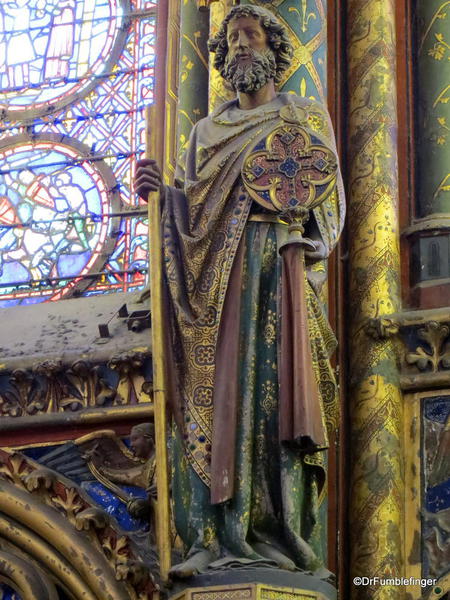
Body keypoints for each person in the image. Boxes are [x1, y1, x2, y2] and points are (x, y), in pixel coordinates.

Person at [135, 5, 345, 578]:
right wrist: (164, 197)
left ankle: (284, 540)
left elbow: (329, 203)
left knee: (279, 399)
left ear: (275, 48)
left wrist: (300, 225)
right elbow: (192, 216)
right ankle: (216, 534)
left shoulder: (302, 117)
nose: (241, 47)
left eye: (252, 35)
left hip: (280, 274)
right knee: (222, 403)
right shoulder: (206, 132)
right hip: (220, 290)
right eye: (232, 40)